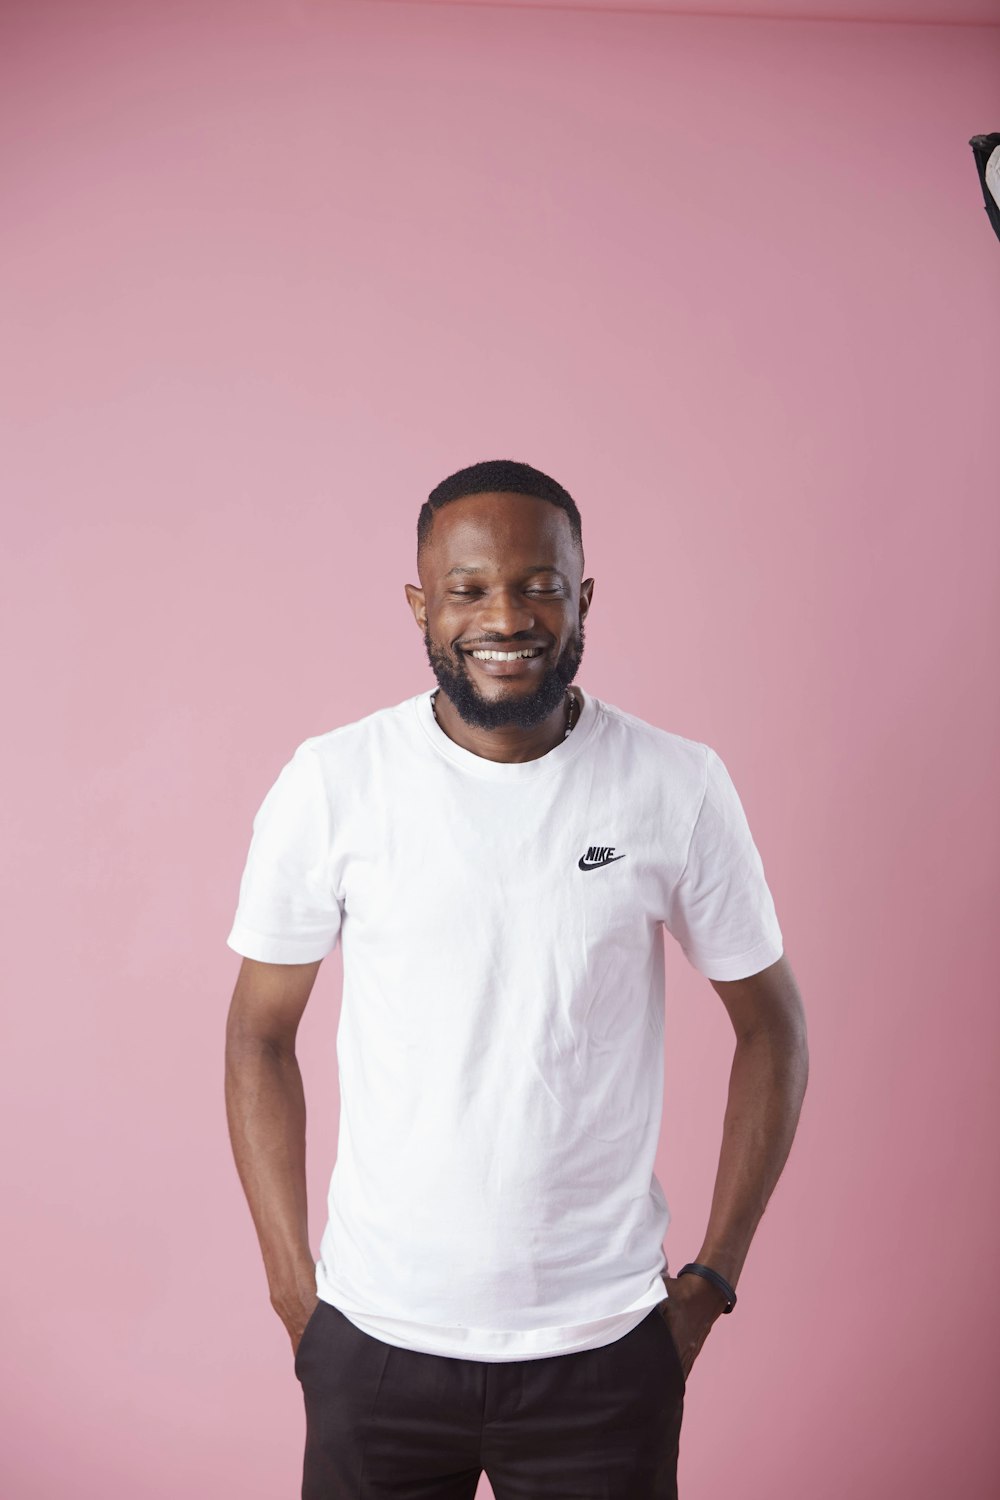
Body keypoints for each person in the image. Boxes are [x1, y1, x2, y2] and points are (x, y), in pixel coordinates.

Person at [224, 458, 809, 1500]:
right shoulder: (335, 783)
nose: (507, 615)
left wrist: (709, 1282)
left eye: (540, 584)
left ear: (582, 596)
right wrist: (292, 1292)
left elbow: (771, 1028)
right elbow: (259, 1035)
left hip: (603, 1352)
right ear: (421, 606)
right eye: (469, 588)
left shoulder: (675, 784)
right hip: (373, 1346)